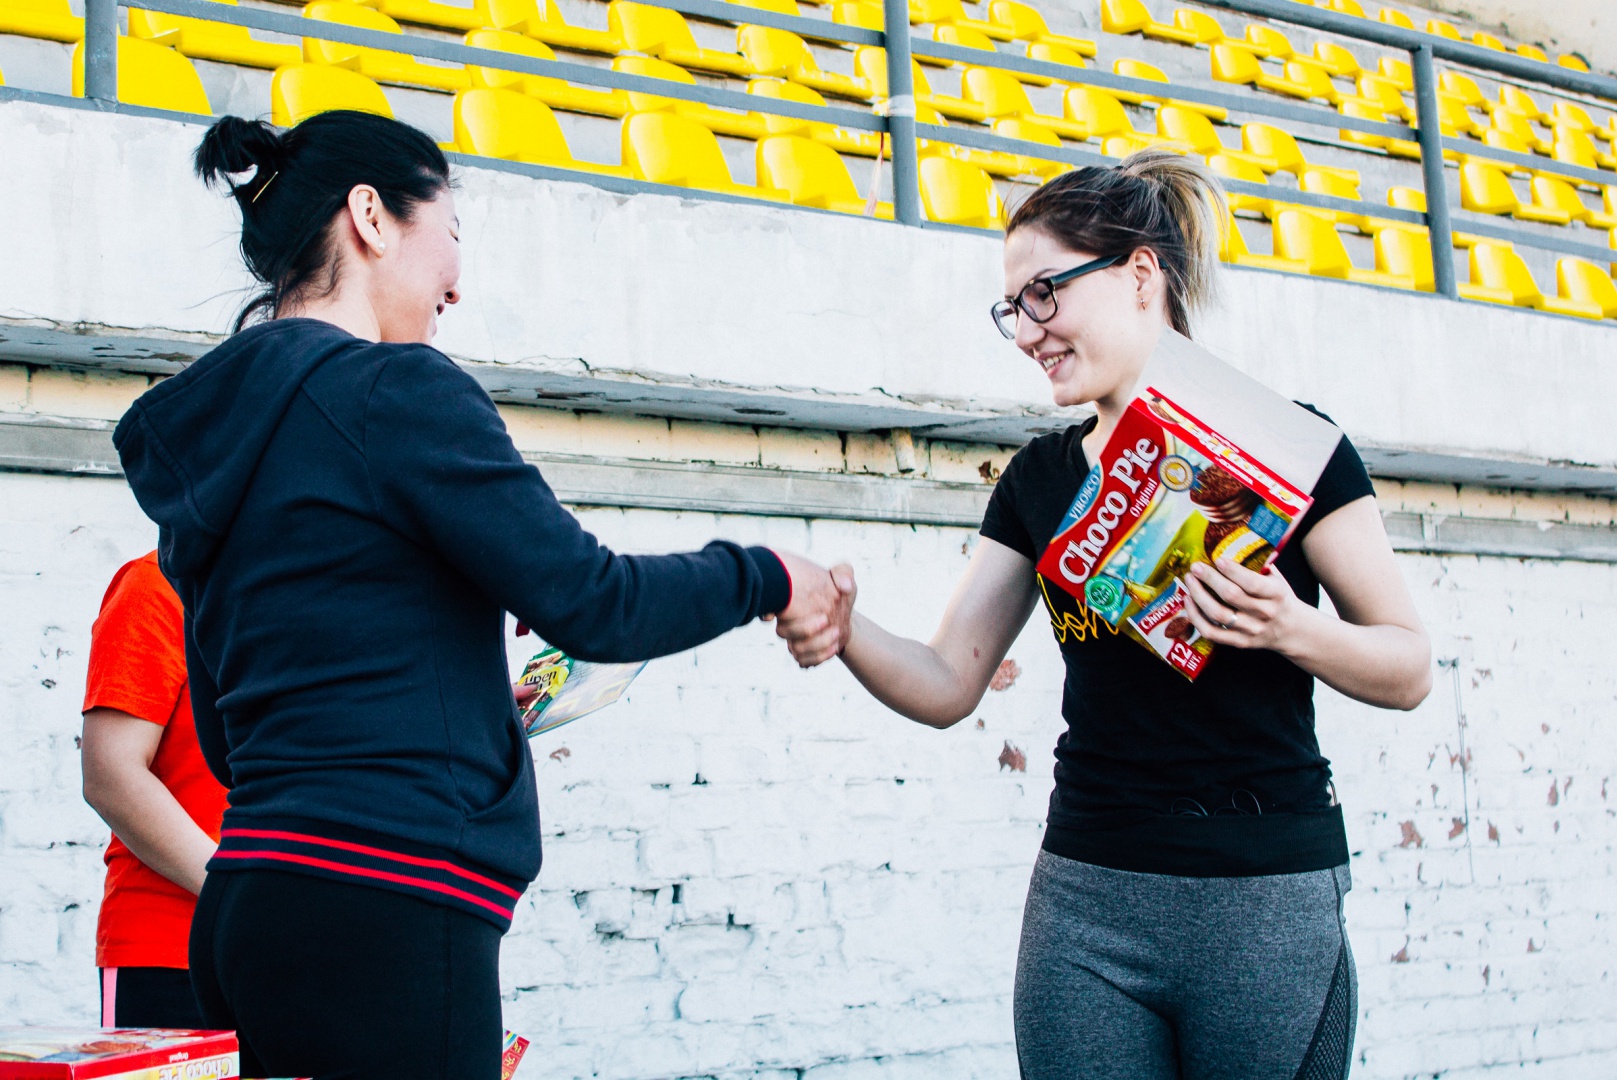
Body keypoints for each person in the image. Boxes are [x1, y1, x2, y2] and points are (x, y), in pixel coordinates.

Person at [113, 110, 852, 1079]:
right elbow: (594, 601)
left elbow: (227, 735)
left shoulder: (208, 446)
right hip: (390, 904)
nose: (458, 281)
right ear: (370, 217)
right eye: (450, 232)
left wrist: (444, 691)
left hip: (250, 900)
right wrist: (767, 573)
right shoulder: (395, 389)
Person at [825, 151, 1432, 1079]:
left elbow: (1408, 666)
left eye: (1044, 294)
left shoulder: (1288, 444)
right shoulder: (1038, 481)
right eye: (1012, 308)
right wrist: (844, 627)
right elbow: (947, 681)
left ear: (1141, 274)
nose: (1027, 331)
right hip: (1087, 900)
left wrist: (1289, 628)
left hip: (1264, 898)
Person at [81, 550, 229, 1029]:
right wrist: (239, 896)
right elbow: (111, 774)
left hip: (293, 944)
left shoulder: (314, 593)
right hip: (169, 951)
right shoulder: (157, 584)